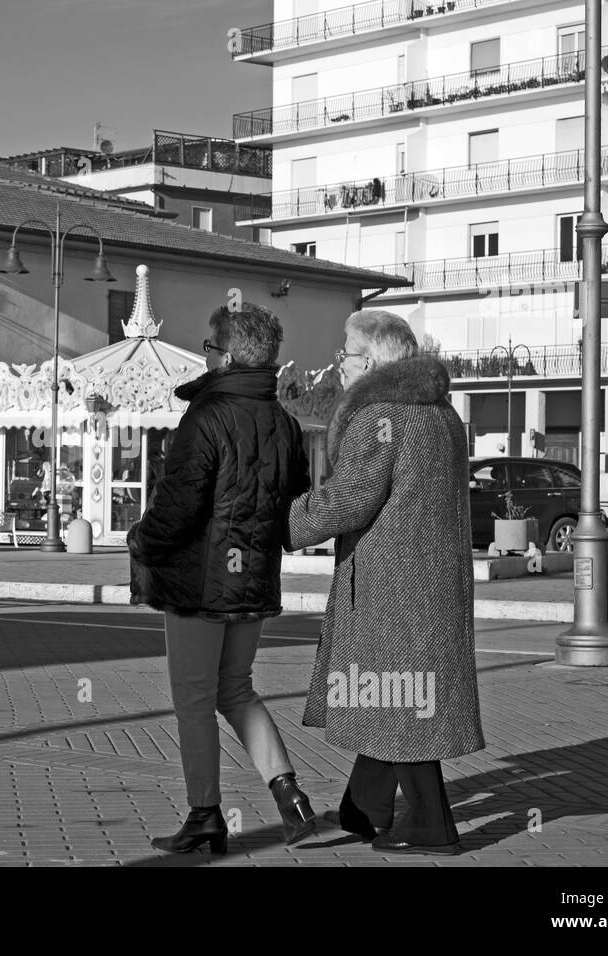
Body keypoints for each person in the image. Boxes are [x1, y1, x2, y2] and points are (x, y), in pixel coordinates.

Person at [287, 309, 485, 855]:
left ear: (370, 359)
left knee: (401, 698)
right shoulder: (440, 413)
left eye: (345, 354)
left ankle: (430, 825)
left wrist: (285, 522)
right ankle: (364, 809)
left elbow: (350, 498)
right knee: (391, 693)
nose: (341, 364)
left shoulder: (384, 417)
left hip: (392, 584)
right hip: (429, 581)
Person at [129, 302, 315, 855]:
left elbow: (178, 505)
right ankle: (291, 796)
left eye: (210, 347)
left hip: (199, 582)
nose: (206, 355)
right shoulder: (283, 422)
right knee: (236, 688)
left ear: (228, 355)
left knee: (193, 697)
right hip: (253, 578)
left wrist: (142, 541)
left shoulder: (206, 416)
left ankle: (205, 814)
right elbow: (293, 498)